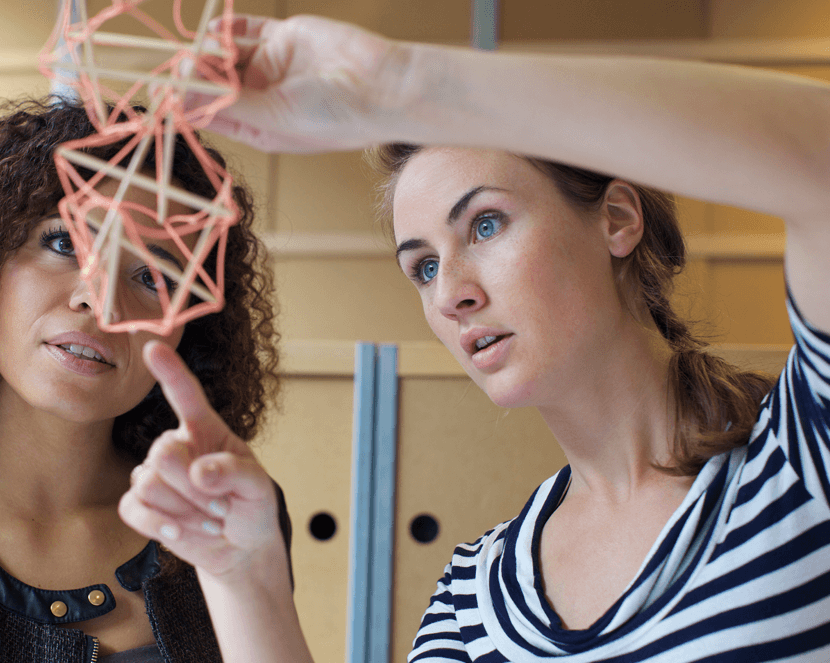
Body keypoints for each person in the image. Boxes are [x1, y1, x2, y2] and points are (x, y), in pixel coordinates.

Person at [118, 13, 830, 663]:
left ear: (617, 218)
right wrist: (244, 578)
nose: (451, 292)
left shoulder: (801, 456)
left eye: (485, 224)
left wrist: (401, 85)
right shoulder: (475, 599)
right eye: (423, 266)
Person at [0, 99, 291, 662]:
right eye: (65, 243)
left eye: (154, 276)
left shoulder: (226, 522)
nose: (99, 301)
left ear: (186, 329)